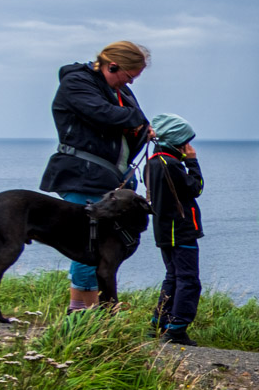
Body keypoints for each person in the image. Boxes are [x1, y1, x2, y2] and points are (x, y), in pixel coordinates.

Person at [38, 40, 154, 312]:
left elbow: (134, 118)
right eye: (129, 76)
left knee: (99, 246)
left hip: (107, 177)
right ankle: (81, 315)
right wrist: (136, 119)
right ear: (112, 66)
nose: (130, 83)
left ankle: (86, 313)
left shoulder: (118, 90)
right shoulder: (76, 83)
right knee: (88, 247)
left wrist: (140, 126)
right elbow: (105, 115)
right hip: (83, 175)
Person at [142, 113, 203, 346]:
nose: (189, 147)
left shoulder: (152, 162)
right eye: (186, 142)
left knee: (173, 277)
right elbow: (196, 188)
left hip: (164, 230)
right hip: (181, 230)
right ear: (178, 141)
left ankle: (159, 323)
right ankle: (177, 329)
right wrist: (192, 162)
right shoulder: (173, 164)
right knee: (188, 280)